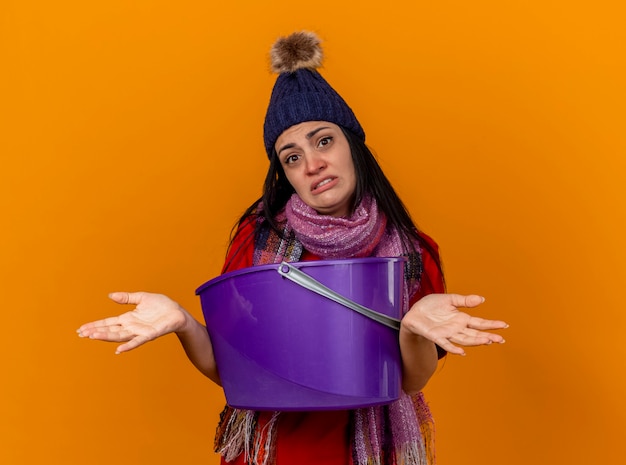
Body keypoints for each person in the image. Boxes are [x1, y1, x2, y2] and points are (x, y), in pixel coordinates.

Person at [77, 31, 508, 465]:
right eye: (292, 157)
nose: (313, 164)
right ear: (285, 173)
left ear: (352, 144)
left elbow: (411, 383)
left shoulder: (412, 253)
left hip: (368, 453)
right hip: (275, 452)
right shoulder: (258, 239)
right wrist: (184, 323)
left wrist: (413, 326)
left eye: (324, 141)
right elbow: (233, 370)